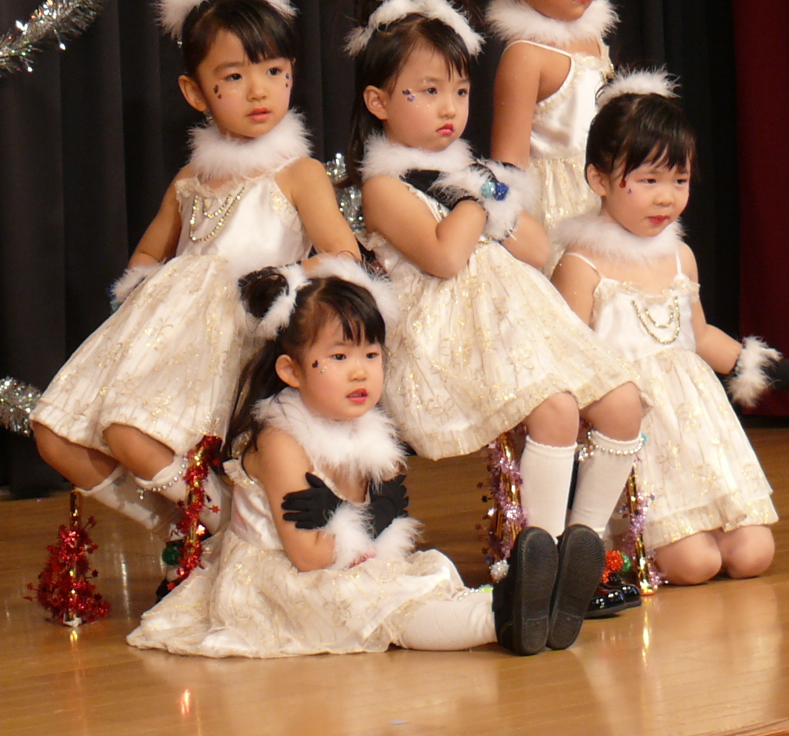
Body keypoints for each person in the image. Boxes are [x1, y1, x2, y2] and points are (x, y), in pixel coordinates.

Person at [345, 0, 645, 643]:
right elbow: (445, 256)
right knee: (556, 410)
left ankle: (582, 549)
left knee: (624, 404)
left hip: (520, 317)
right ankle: (537, 565)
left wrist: (490, 195)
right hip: (452, 334)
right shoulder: (384, 186)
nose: (448, 108)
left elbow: (536, 248)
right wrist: (475, 196)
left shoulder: (472, 175)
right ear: (379, 102)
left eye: (458, 91)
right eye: (426, 92)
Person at [31, 0, 360, 544]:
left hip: (239, 336)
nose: (257, 90)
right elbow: (146, 258)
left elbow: (344, 255)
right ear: (195, 91)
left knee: (131, 433)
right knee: (57, 434)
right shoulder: (190, 180)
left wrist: (278, 282)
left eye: (273, 71)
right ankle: (192, 533)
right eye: (232, 77)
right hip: (172, 336)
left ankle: (227, 530)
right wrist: (146, 300)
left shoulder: (296, 172)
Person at [127, 260, 577, 657]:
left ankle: (536, 608)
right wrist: (368, 521)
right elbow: (307, 556)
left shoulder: (369, 429)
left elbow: (375, 517)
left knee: (425, 581)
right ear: (291, 370)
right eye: (339, 356)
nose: (360, 371)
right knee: (387, 609)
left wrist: (369, 517)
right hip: (284, 581)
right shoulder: (281, 439)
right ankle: (504, 619)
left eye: (371, 354)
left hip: (347, 560)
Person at [551, 72, 789, 585]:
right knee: (695, 564)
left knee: (753, 554)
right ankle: (621, 541)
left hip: (697, 428)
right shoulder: (582, 264)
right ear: (600, 179)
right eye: (648, 181)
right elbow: (565, 359)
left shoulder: (680, 256)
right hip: (636, 430)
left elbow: (697, 335)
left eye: (680, 181)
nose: (666, 198)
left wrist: (765, 368)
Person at [479, 0, 616, 250]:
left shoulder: (593, 41)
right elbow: (507, 170)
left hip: (609, 207)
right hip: (557, 225)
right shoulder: (526, 56)